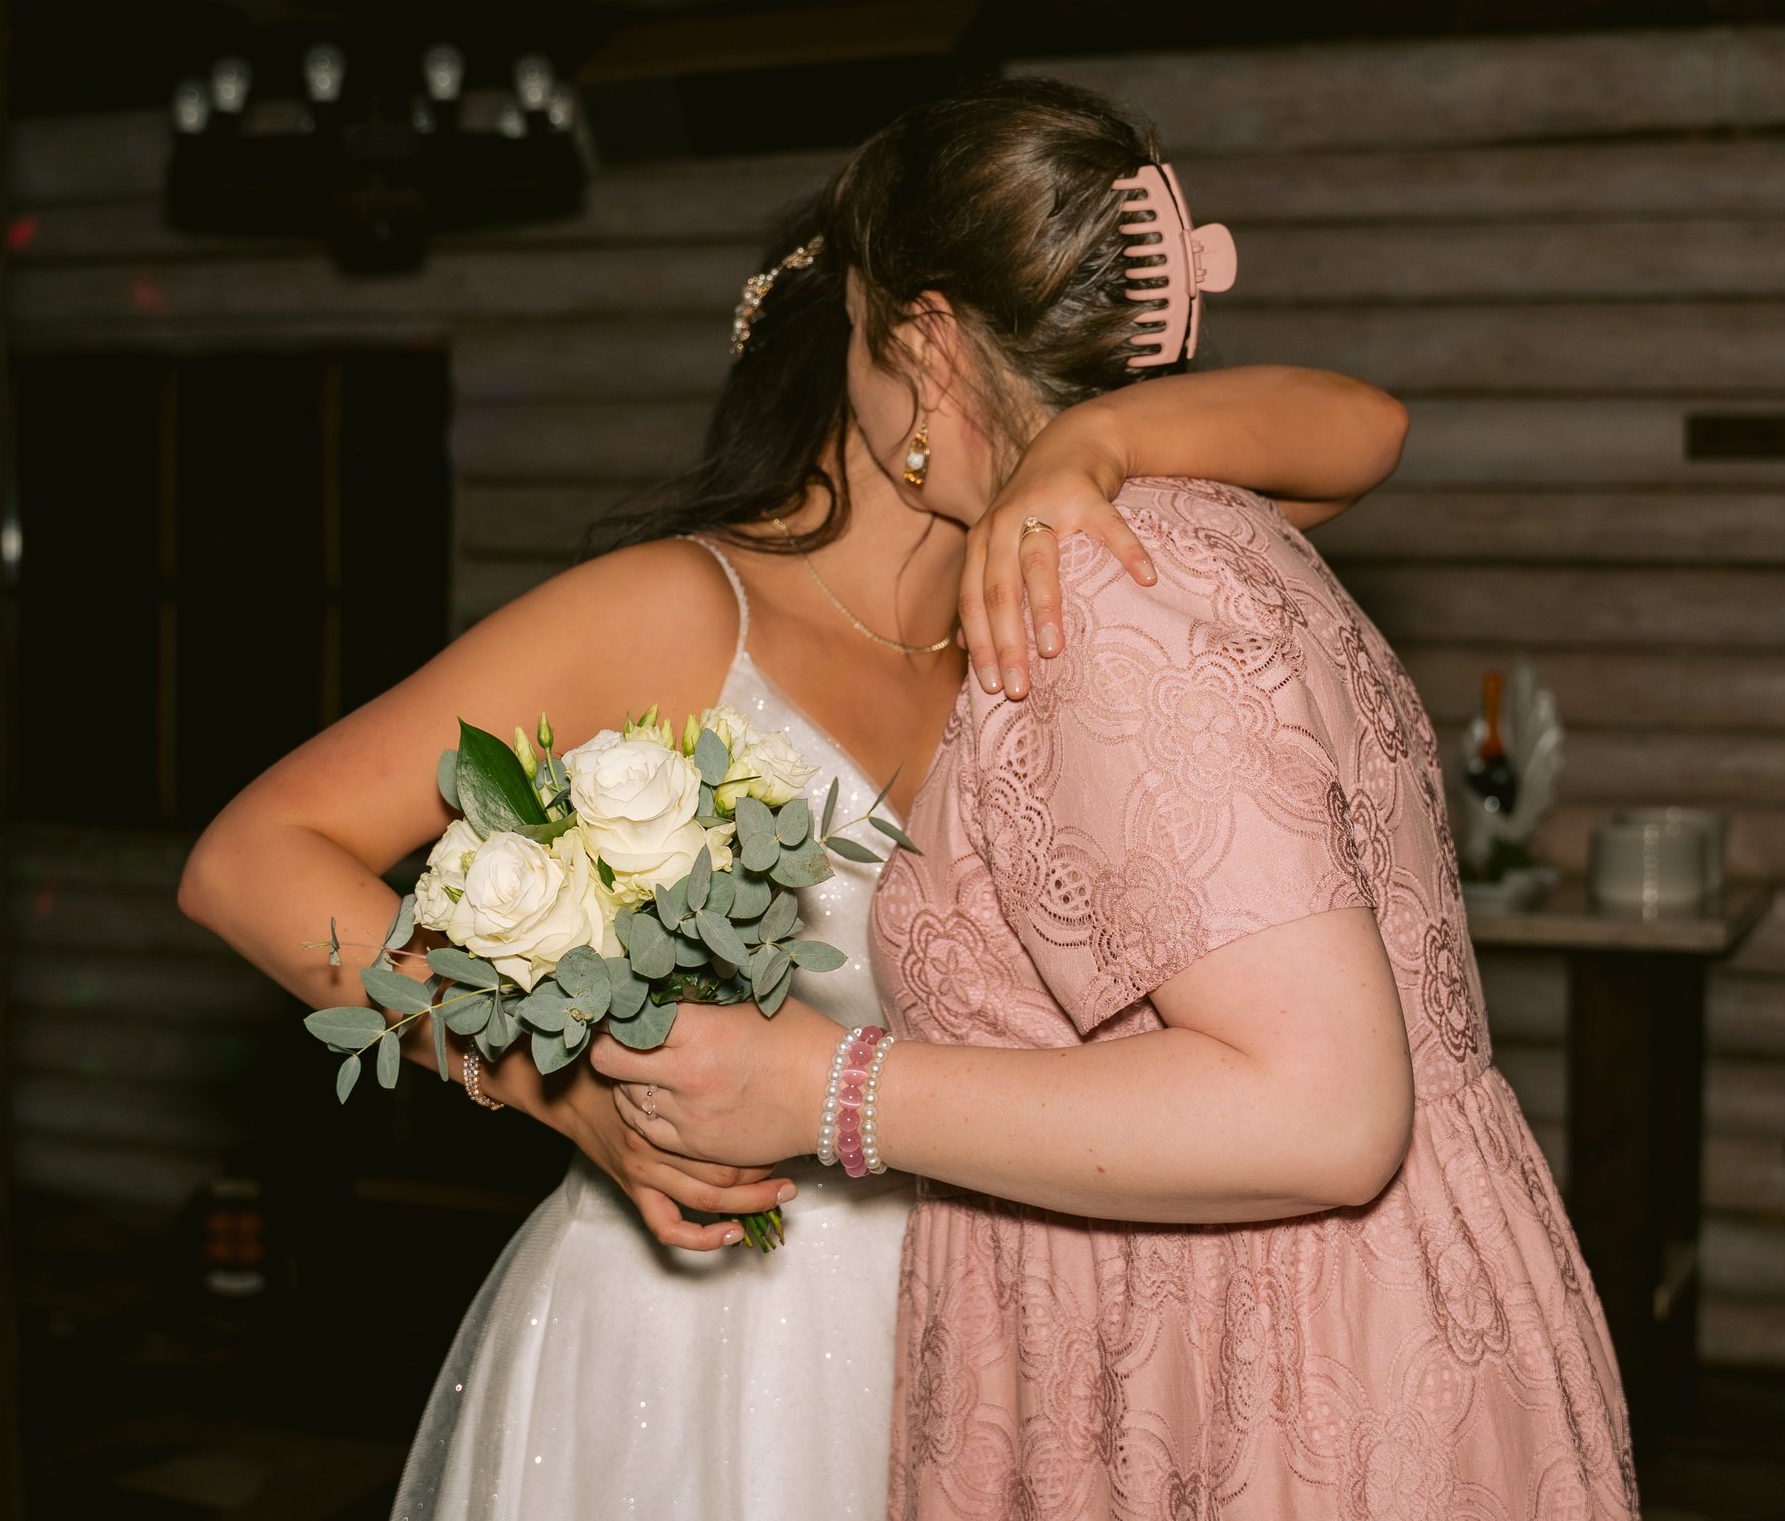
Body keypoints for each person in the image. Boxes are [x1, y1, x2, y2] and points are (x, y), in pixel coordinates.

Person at [175, 188, 1410, 1519]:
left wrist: (1095, 449)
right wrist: (564, 1096)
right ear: (918, 354)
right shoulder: (680, 608)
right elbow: (253, 859)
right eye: (1043, 373)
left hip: (993, 1308)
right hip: (713, 1330)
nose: (1062, 405)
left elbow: (1365, 431)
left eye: (1088, 385)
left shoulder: (1045, 590)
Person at [596, 80, 1637, 1519]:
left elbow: (1322, 1111)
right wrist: (1092, 443)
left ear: (925, 342)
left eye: (852, 333)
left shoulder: (1098, 579)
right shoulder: (1187, 514)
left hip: (1262, 1356)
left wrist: (823, 1090)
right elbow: (1347, 426)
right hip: (1360, 1296)